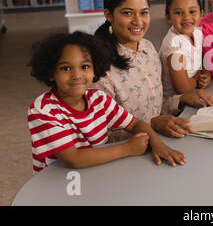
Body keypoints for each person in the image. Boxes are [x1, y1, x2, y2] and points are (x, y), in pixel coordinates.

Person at [27, 31, 186, 173]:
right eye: (66, 68)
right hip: (58, 184)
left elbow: (134, 123)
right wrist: (128, 148)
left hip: (97, 173)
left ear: (94, 69)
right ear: (50, 73)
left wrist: (157, 143)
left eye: (85, 66)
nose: (77, 75)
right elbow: (74, 158)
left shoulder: (99, 99)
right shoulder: (42, 110)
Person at [94, 0, 213, 140]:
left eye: (144, 12)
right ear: (109, 15)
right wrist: (151, 125)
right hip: (131, 154)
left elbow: (156, 106)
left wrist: (180, 100)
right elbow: (102, 136)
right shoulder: (100, 68)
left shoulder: (148, 48)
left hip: (162, 138)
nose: (138, 21)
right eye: (127, 13)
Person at [160, 0, 211, 97]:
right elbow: (182, 88)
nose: (187, 17)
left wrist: (206, 74)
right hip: (176, 103)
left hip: (193, 91)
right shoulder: (173, 43)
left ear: (201, 14)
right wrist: (197, 78)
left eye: (192, 11)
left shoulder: (197, 32)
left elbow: (201, 60)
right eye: (178, 12)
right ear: (168, 17)